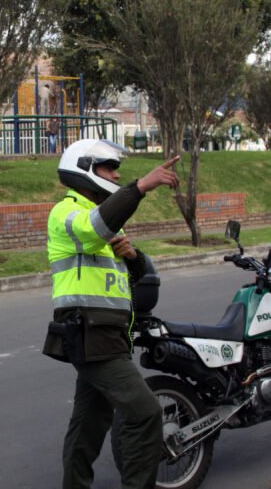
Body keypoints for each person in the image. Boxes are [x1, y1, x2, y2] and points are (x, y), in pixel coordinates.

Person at [43, 139, 181, 489]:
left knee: (89, 423)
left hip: (110, 336)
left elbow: (127, 278)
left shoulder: (105, 219)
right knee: (146, 412)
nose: (117, 174)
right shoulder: (67, 211)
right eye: (109, 167)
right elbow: (92, 230)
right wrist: (142, 186)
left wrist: (133, 257)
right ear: (85, 168)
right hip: (89, 335)